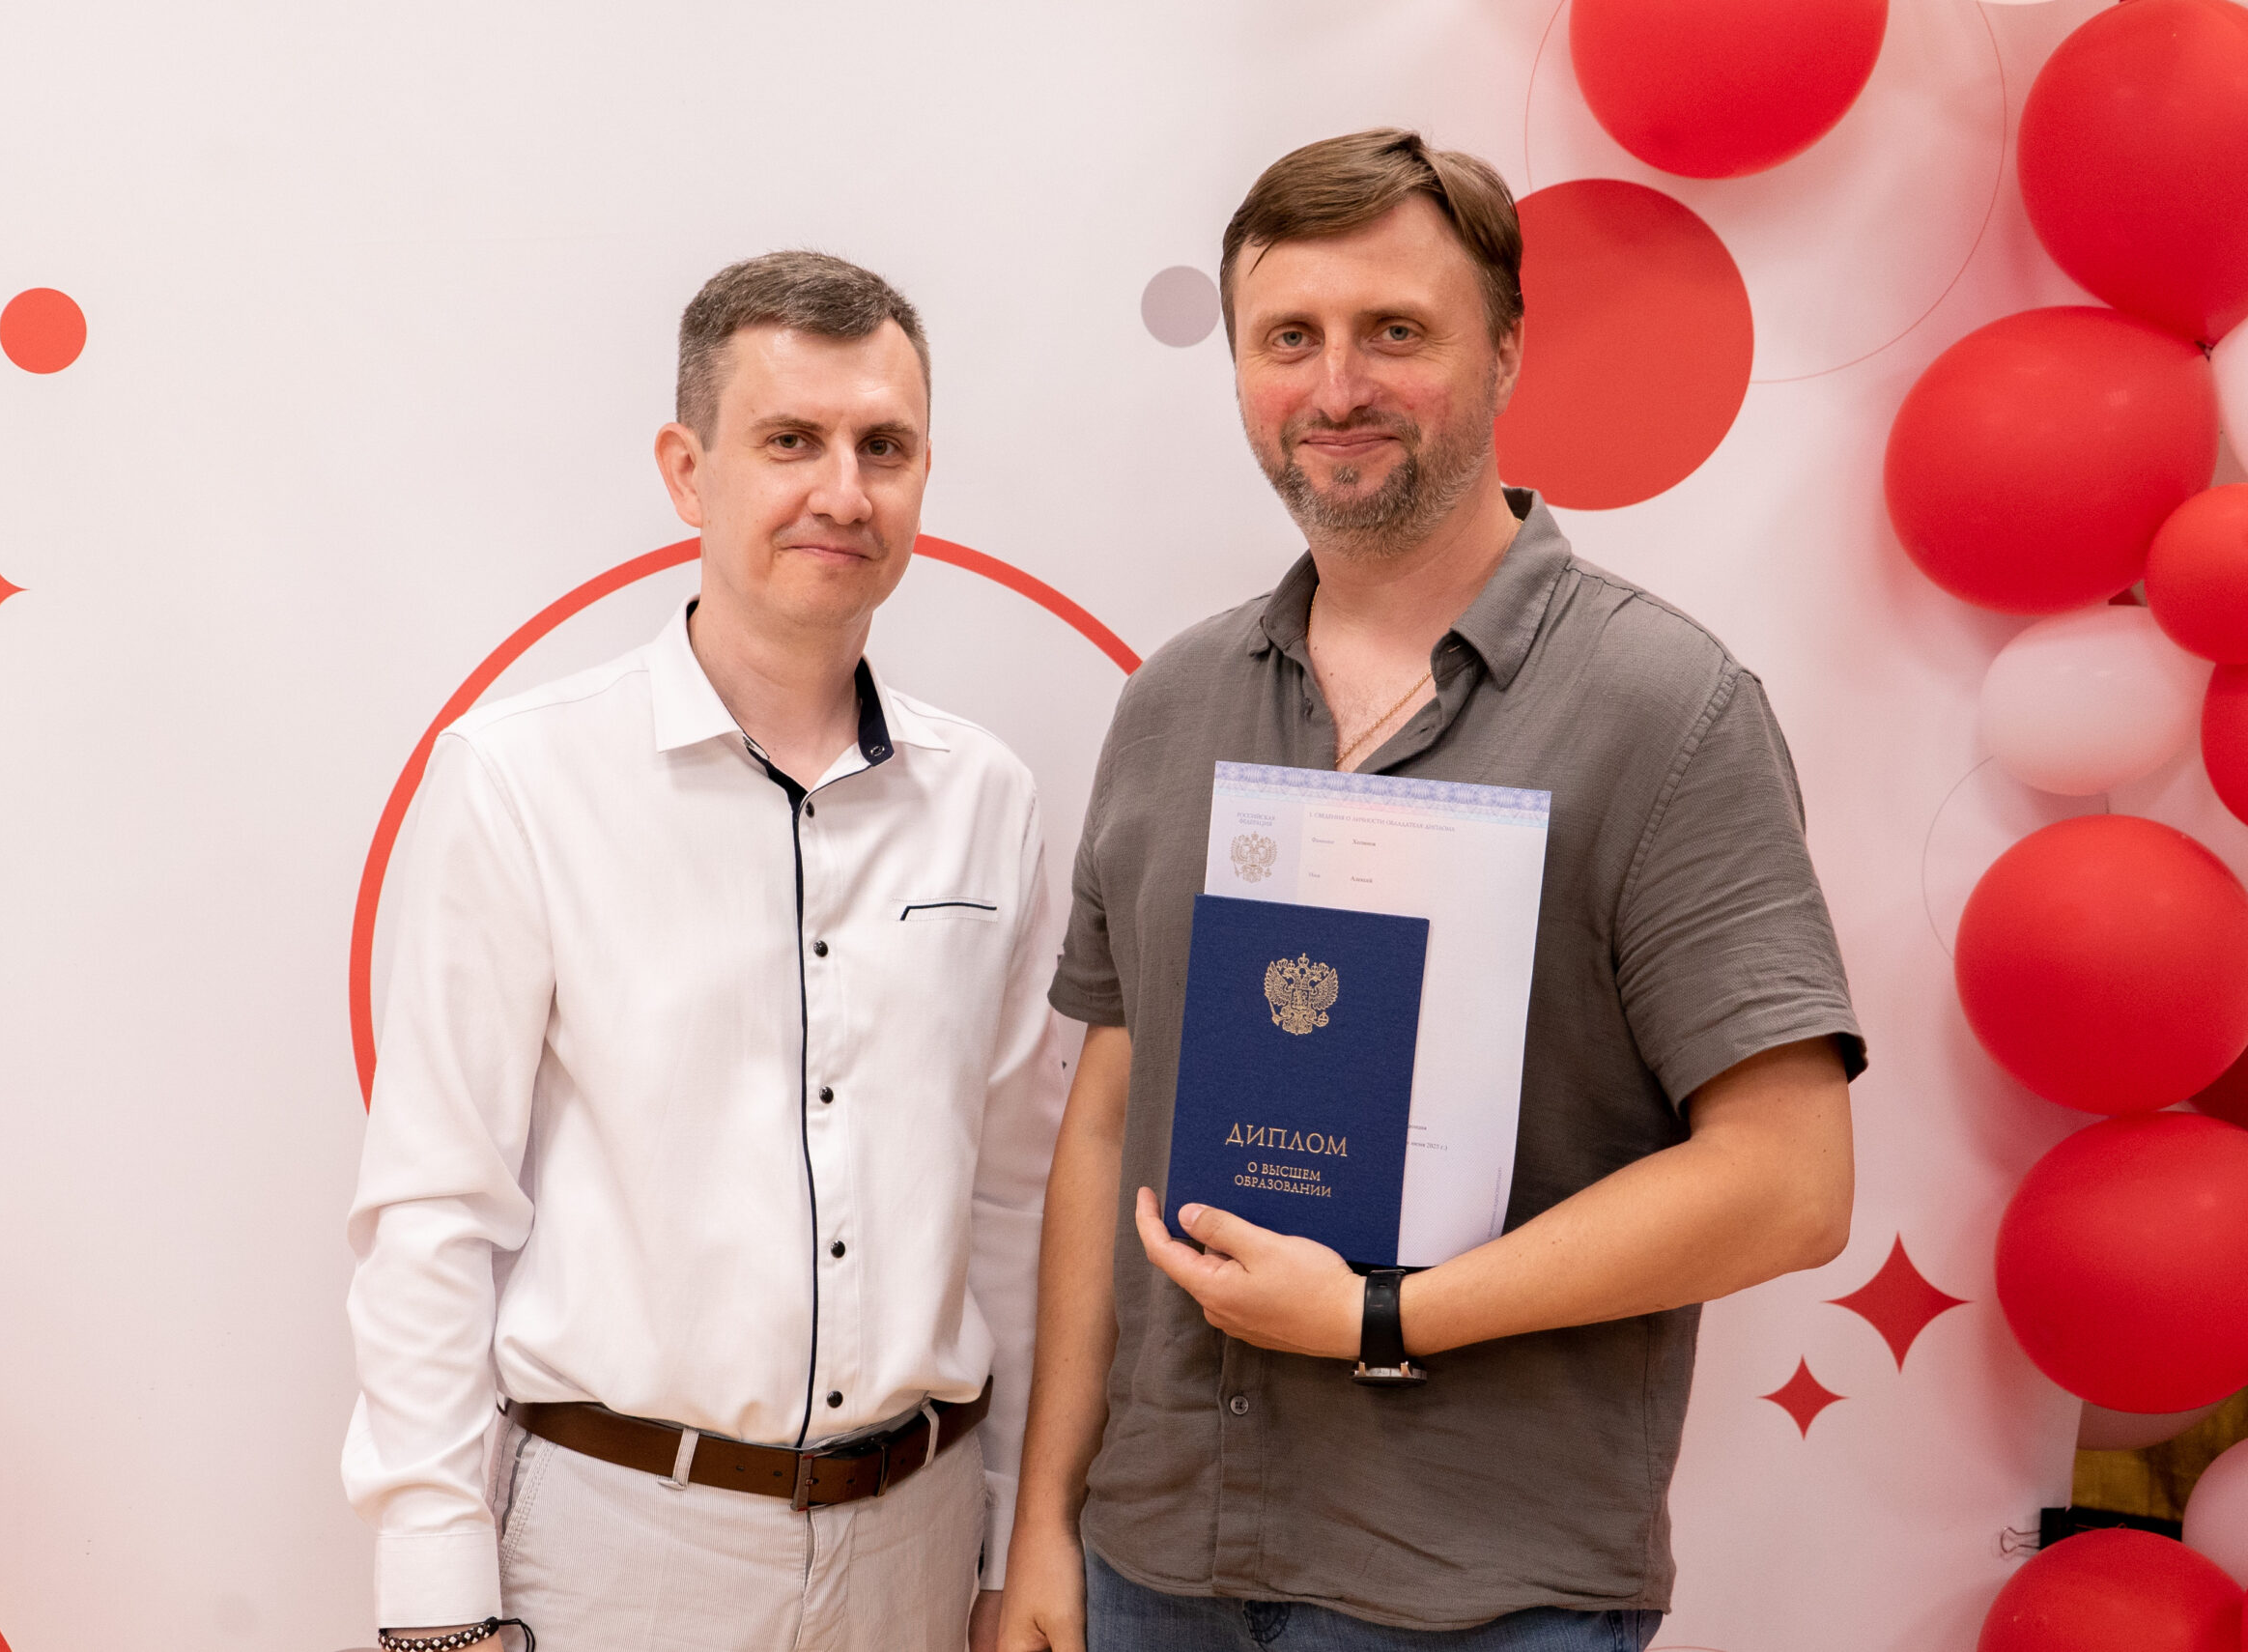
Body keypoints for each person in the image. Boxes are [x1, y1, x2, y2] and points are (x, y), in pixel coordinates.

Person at [998, 130, 1864, 1652]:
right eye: (1290, 338)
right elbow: (1107, 1117)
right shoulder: (1174, 703)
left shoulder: (1666, 711)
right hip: (1154, 1567)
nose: (1338, 386)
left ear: (1507, 351)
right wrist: (1044, 1526)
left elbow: (1790, 1183)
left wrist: (1379, 1314)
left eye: (1394, 330)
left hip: (1479, 1594)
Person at [344, 250, 1065, 1652]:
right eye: (790, 440)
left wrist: (1008, 1529)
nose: (842, 492)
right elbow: (435, 1204)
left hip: (918, 1546)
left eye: (883, 446)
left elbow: (1012, 1203)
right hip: (619, 1545)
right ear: (688, 470)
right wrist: (435, 1591)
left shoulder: (990, 799)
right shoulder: (520, 777)